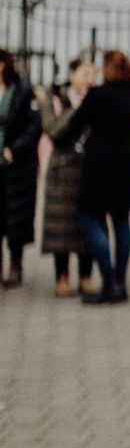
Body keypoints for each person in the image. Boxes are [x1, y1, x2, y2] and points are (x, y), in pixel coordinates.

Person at [56, 49, 130, 305]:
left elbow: (73, 125)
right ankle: (121, 282)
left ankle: (109, 281)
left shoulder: (97, 95)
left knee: (89, 216)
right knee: (121, 220)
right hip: (129, 162)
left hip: (100, 164)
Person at [39, 57, 96, 296]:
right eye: (84, 73)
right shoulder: (54, 100)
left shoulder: (96, 99)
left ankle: (86, 276)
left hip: (89, 170)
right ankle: (61, 276)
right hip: (62, 170)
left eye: (93, 74)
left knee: (88, 226)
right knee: (60, 226)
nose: (89, 79)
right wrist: (77, 109)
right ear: (71, 74)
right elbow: (54, 130)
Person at [0, 49, 42, 288]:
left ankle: (16, 264)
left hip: (16, 164)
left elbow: (34, 126)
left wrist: (14, 149)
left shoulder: (23, 90)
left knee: (15, 214)